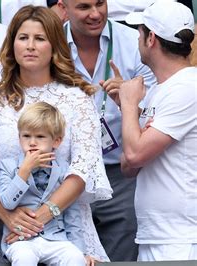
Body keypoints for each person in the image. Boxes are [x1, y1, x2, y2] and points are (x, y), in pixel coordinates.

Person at [0, 5, 112, 262]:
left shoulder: (77, 100)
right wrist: (8, 217)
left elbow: (83, 168)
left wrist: (46, 214)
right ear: (12, 44)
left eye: (40, 38)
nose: (30, 46)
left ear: (55, 46)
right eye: (23, 38)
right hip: (9, 233)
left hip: (69, 232)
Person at [57, 0, 156, 261]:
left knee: (124, 247)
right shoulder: (49, 43)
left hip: (120, 173)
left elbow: (157, 109)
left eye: (101, 3)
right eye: (84, 7)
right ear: (63, 7)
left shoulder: (134, 43)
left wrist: (131, 101)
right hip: (63, 172)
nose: (95, 14)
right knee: (66, 251)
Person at [116, 2, 196, 261]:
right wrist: (133, 113)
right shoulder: (161, 89)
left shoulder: (187, 86)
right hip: (157, 235)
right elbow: (127, 166)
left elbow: (136, 154)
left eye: (140, 32)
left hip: (181, 239)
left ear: (151, 38)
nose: (137, 38)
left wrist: (128, 105)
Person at [0, 102, 86, 266]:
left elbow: (72, 214)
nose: (32, 142)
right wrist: (23, 171)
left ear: (56, 141)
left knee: (75, 258)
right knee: (24, 258)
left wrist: (82, 251)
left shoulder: (64, 169)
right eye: (26, 136)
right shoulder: (8, 166)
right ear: (19, 137)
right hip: (21, 241)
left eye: (40, 137)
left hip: (56, 238)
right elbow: (7, 203)